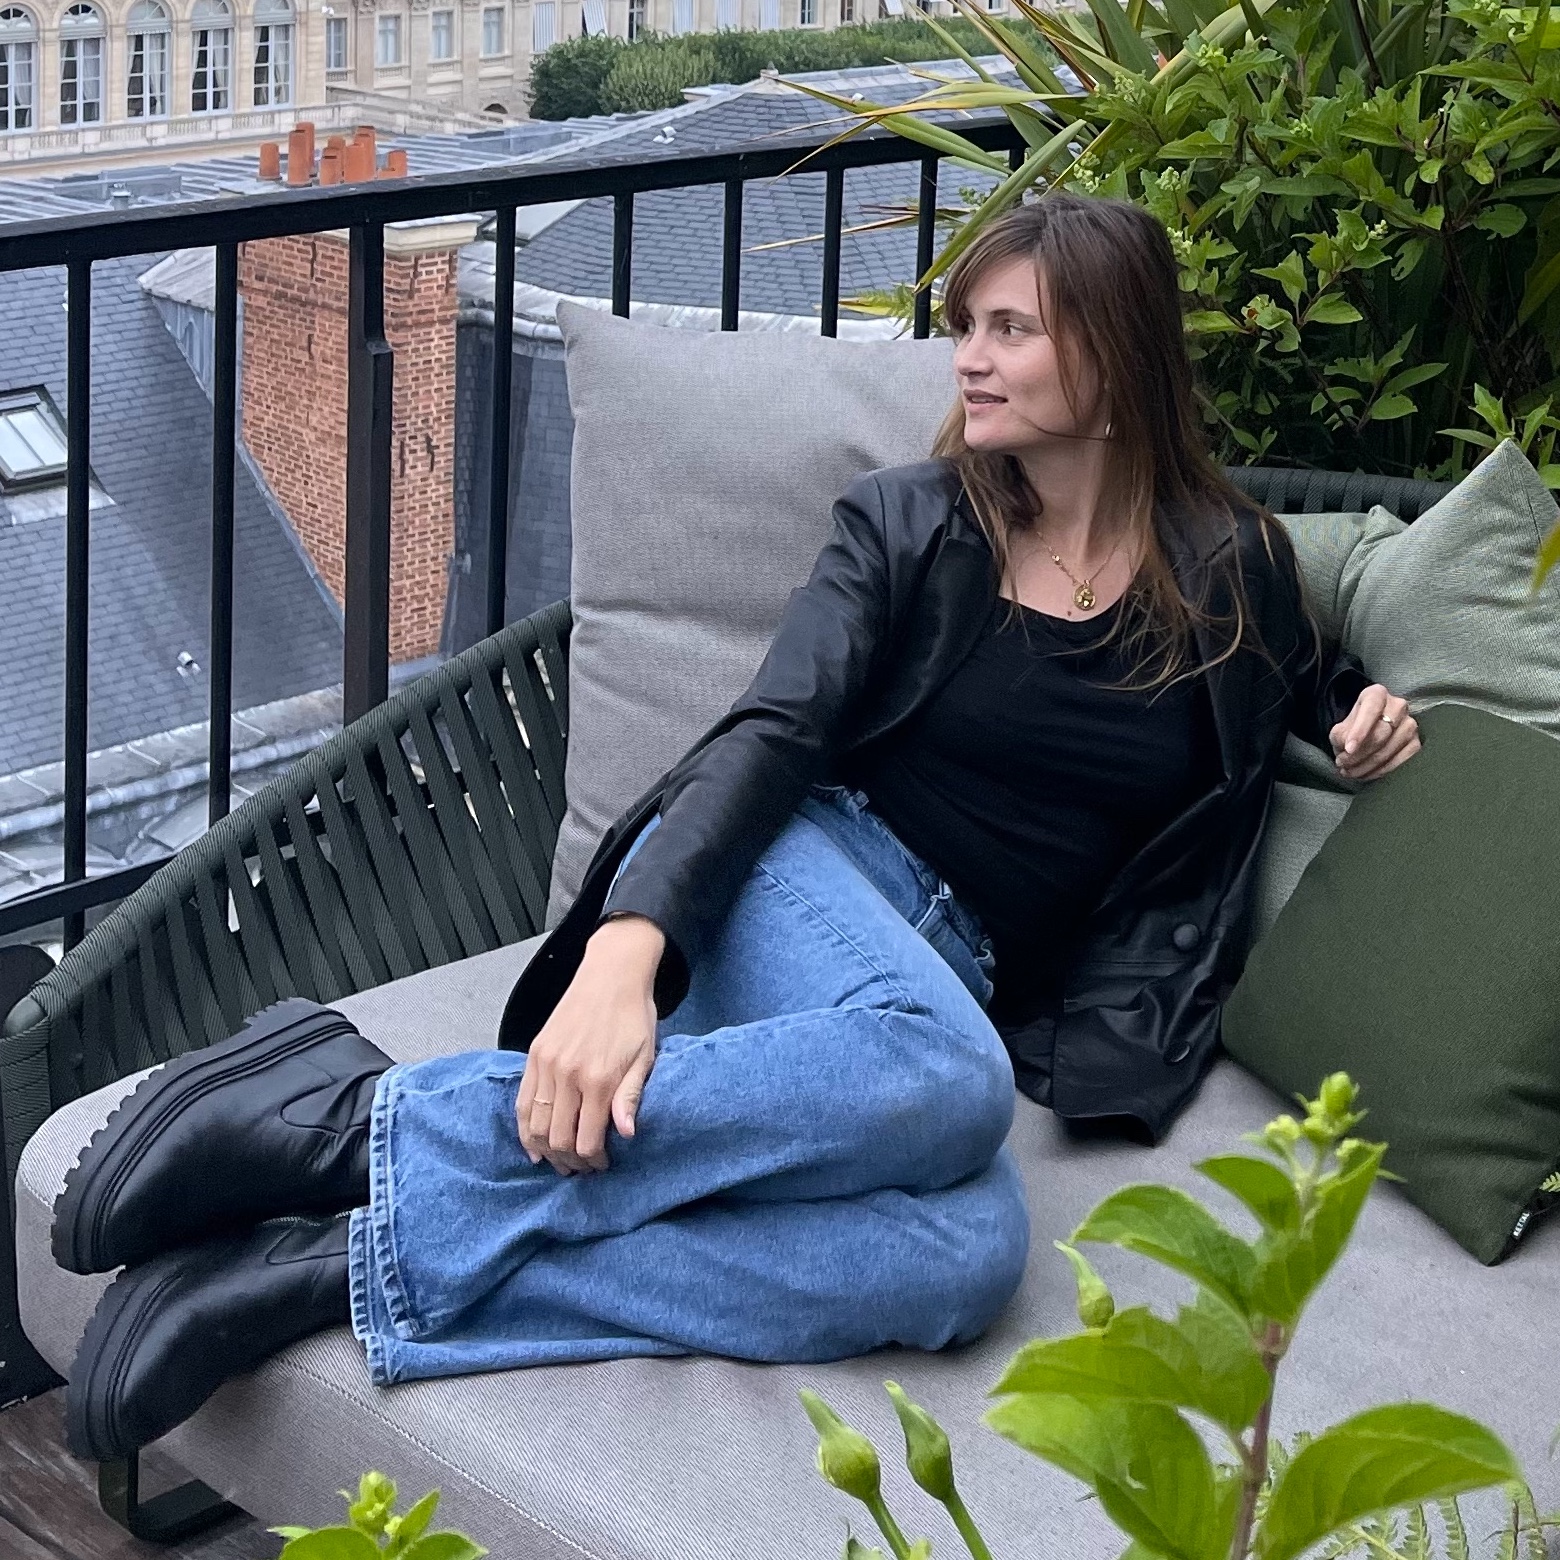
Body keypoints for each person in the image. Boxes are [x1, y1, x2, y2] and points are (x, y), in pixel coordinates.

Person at [53, 194, 1421, 1462]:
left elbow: (1315, 682)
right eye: (965, 329)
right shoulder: (908, 525)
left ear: (1115, 354)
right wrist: (623, 951)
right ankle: (353, 1120)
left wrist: (1363, 711)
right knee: (952, 1090)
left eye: (1012, 329)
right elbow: (770, 736)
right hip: (806, 878)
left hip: (946, 993)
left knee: (971, 1253)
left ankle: (338, 1262)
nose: (971, 361)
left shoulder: (1230, 570)